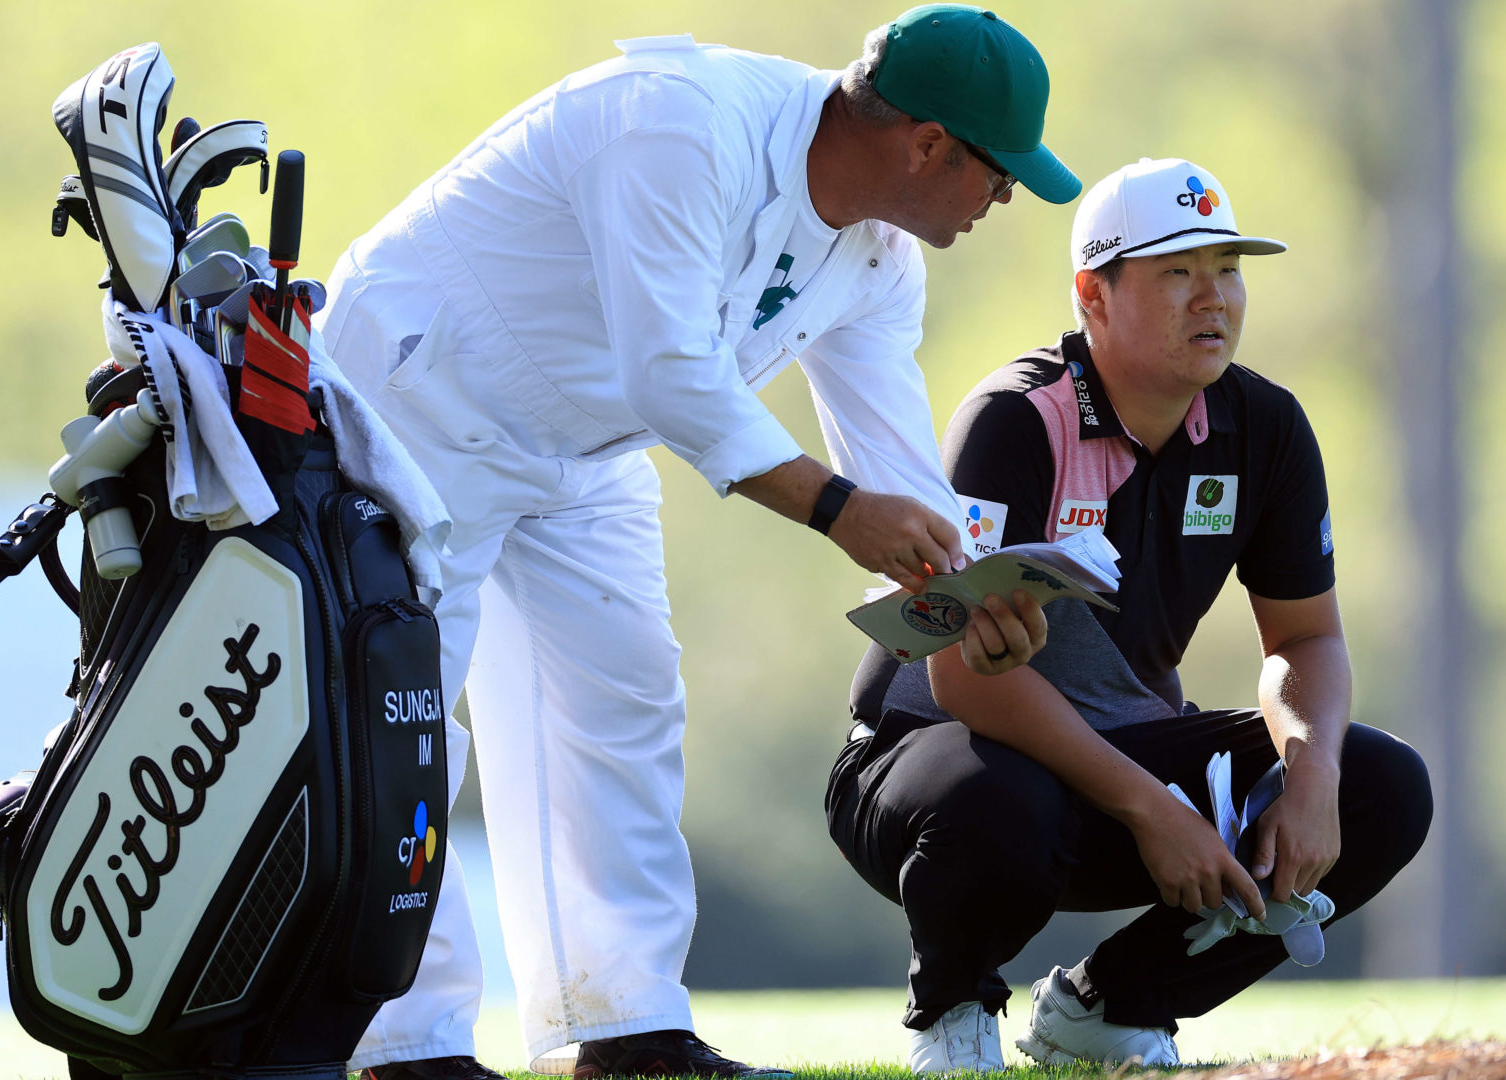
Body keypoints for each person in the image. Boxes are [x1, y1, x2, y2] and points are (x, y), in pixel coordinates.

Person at [319, 8, 1072, 1079]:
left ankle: (627, 1028)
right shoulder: (682, 127)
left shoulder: (880, 258)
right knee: (403, 720)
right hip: (418, 390)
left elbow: (895, 464)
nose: (1002, 199)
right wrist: (838, 510)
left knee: (624, 702)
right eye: (998, 174)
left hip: (586, 445)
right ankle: (407, 1044)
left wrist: (970, 590)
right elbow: (671, 373)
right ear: (927, 144)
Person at [825, 157, 1434, 1072]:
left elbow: (1305, 638)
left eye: (1228, 270)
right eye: (1177, 272)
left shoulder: (1264, 427)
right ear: (1093, 297)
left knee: (1378, 786)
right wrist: (1153, 808)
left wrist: (1309, 780)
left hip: (1117, 748)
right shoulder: (1015, 420)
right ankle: (952, 1014)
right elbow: (962, 675)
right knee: (1003, 800)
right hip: (929, 758)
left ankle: (1106, 1010)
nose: (1213, 298)